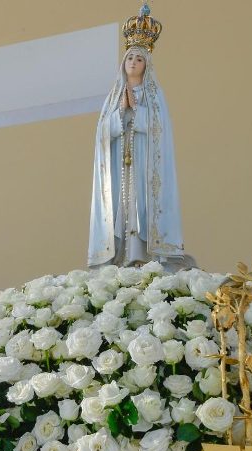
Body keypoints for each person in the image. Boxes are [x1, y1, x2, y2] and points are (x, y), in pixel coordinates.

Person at [88, 3, 186, 269]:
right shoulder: (113, 97)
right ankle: (120, 255)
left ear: (146, 65)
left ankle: (142, 255)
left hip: (144, 163)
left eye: (139, 59)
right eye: (130, 57)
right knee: (121, 206)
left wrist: (138, 111)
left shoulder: (154, 95)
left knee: (139, 204)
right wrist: (121, 112)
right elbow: (102, 134)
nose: (133, 62)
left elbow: (159, 129)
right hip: (120, 164)